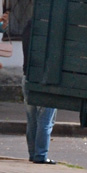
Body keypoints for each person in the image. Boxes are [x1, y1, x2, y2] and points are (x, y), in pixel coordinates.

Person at [22, 18, 57, 164]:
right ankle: (41, 155)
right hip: (46, 80)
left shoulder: (28, 27)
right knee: (45, 120)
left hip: (27, 77)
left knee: (32, 120)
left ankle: (33, 153)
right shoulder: (50, 33)